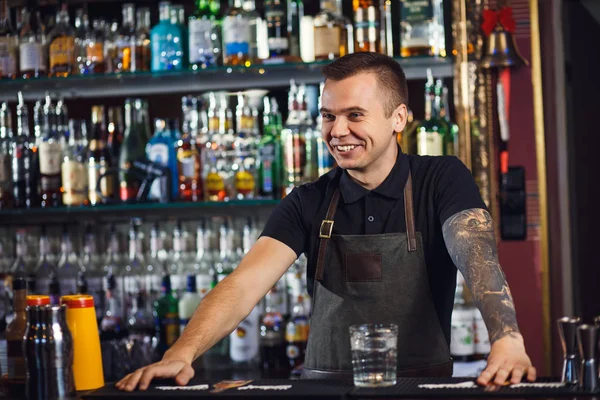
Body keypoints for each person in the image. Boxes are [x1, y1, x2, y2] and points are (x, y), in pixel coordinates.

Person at [116, 52, 535, 391]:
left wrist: (507, 338)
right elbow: (242, 286)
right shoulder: (308, 201)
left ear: (398, 119)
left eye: (355, 115)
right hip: (322, 390)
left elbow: (478, 258)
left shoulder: (441, 179)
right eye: (328, 115)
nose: (337, 130)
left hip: (418, 388)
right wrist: (181, 353)